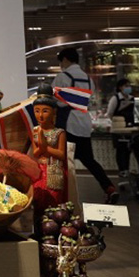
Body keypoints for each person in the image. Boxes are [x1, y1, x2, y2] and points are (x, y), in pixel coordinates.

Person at [53, 48, 118, 204]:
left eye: (61, 61)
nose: (61, 65)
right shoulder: (88, 79)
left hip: (68, 124)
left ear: (65, 59)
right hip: (83, 123)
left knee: (62, 161)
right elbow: (85, 100)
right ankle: (109, 187)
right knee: (89, 160)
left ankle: (61, 196)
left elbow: (56, 102)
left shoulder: (63, 77)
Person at [31, 84, 68, 216]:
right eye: (37, 111)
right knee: (38, 200)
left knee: (53, 203)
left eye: (45, 111)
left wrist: (45, 147)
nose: (40, 115)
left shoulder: (59, 132)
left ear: (54, 112)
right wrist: (41, 147)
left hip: (54, 170)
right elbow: (35, 153)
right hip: (39, 171)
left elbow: (61, 155)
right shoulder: (35, 131)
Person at [106, 78, 137, 182]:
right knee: (120, 149)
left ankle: (127, 169)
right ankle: (122, 170)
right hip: (118, 129)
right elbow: (110, 113)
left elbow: (134, 112)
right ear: (120, 87)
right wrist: (117, 122)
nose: (128, 88)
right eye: (126, 86)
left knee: (128, 149)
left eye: (129, 86)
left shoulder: (131, 98)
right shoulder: (115, 99)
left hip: (129, 128)